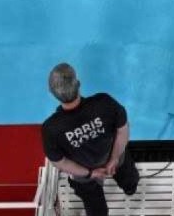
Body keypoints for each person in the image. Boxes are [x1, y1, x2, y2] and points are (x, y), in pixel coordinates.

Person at [41, 63, 139, 216]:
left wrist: (89, 173)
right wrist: (113, 159)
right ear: (78, 84)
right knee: (130, 180)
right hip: (115, 158)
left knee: (96, 209)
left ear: (52, 93)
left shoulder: (51, 128)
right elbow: (123, 131)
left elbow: (60, 162)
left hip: (83, 175)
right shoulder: (104, 103)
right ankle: (130, 189)